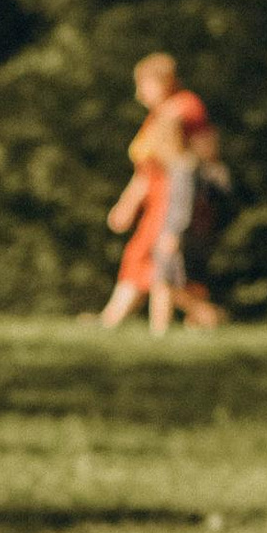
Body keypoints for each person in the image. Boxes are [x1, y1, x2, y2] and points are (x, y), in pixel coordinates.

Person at [102, 50, 228, 333]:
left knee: (163, 264)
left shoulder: (185, 107)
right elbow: (144, 171)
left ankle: (160, 325)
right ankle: (116, 321)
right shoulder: (156, 117)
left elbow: (203, 155)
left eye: (143, 85)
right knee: (145, 261)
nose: (139, 94)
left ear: (164, 82)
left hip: (177, 200)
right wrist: (127, 204)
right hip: (156, 202)